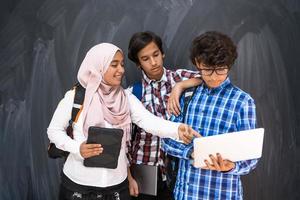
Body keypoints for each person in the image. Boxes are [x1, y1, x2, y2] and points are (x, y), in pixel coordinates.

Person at [47, 43, 199, 200]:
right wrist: (78, 148)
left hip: (117, 187)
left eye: (122, 64)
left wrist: (177, 129)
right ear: (99, 66)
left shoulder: (126, 98)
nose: (121, 70)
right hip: (79, 186)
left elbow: (149, 121)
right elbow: (54, 131)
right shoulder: (76, 97)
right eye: (114, 65)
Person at [162, 31, 259, 200]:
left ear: (229, 65)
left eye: (220, 70)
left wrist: (231, 166)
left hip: (223, 193)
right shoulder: (187, 95)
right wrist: (191, 151)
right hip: (186, 193)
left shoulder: (243, 102)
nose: (214, 77)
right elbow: (166, 140)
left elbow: (251, 157)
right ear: (197, 63)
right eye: (207, 70)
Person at [126, 31, 201, 200]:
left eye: (156, 55)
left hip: (178, 166)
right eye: (145, 59)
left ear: (162, 53)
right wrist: (129, 176)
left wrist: (180, 86)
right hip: (144, 169)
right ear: (138, 64)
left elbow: (208, 77)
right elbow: (126, 141)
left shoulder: (178, 77)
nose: (153, 62)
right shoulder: (133, 93)